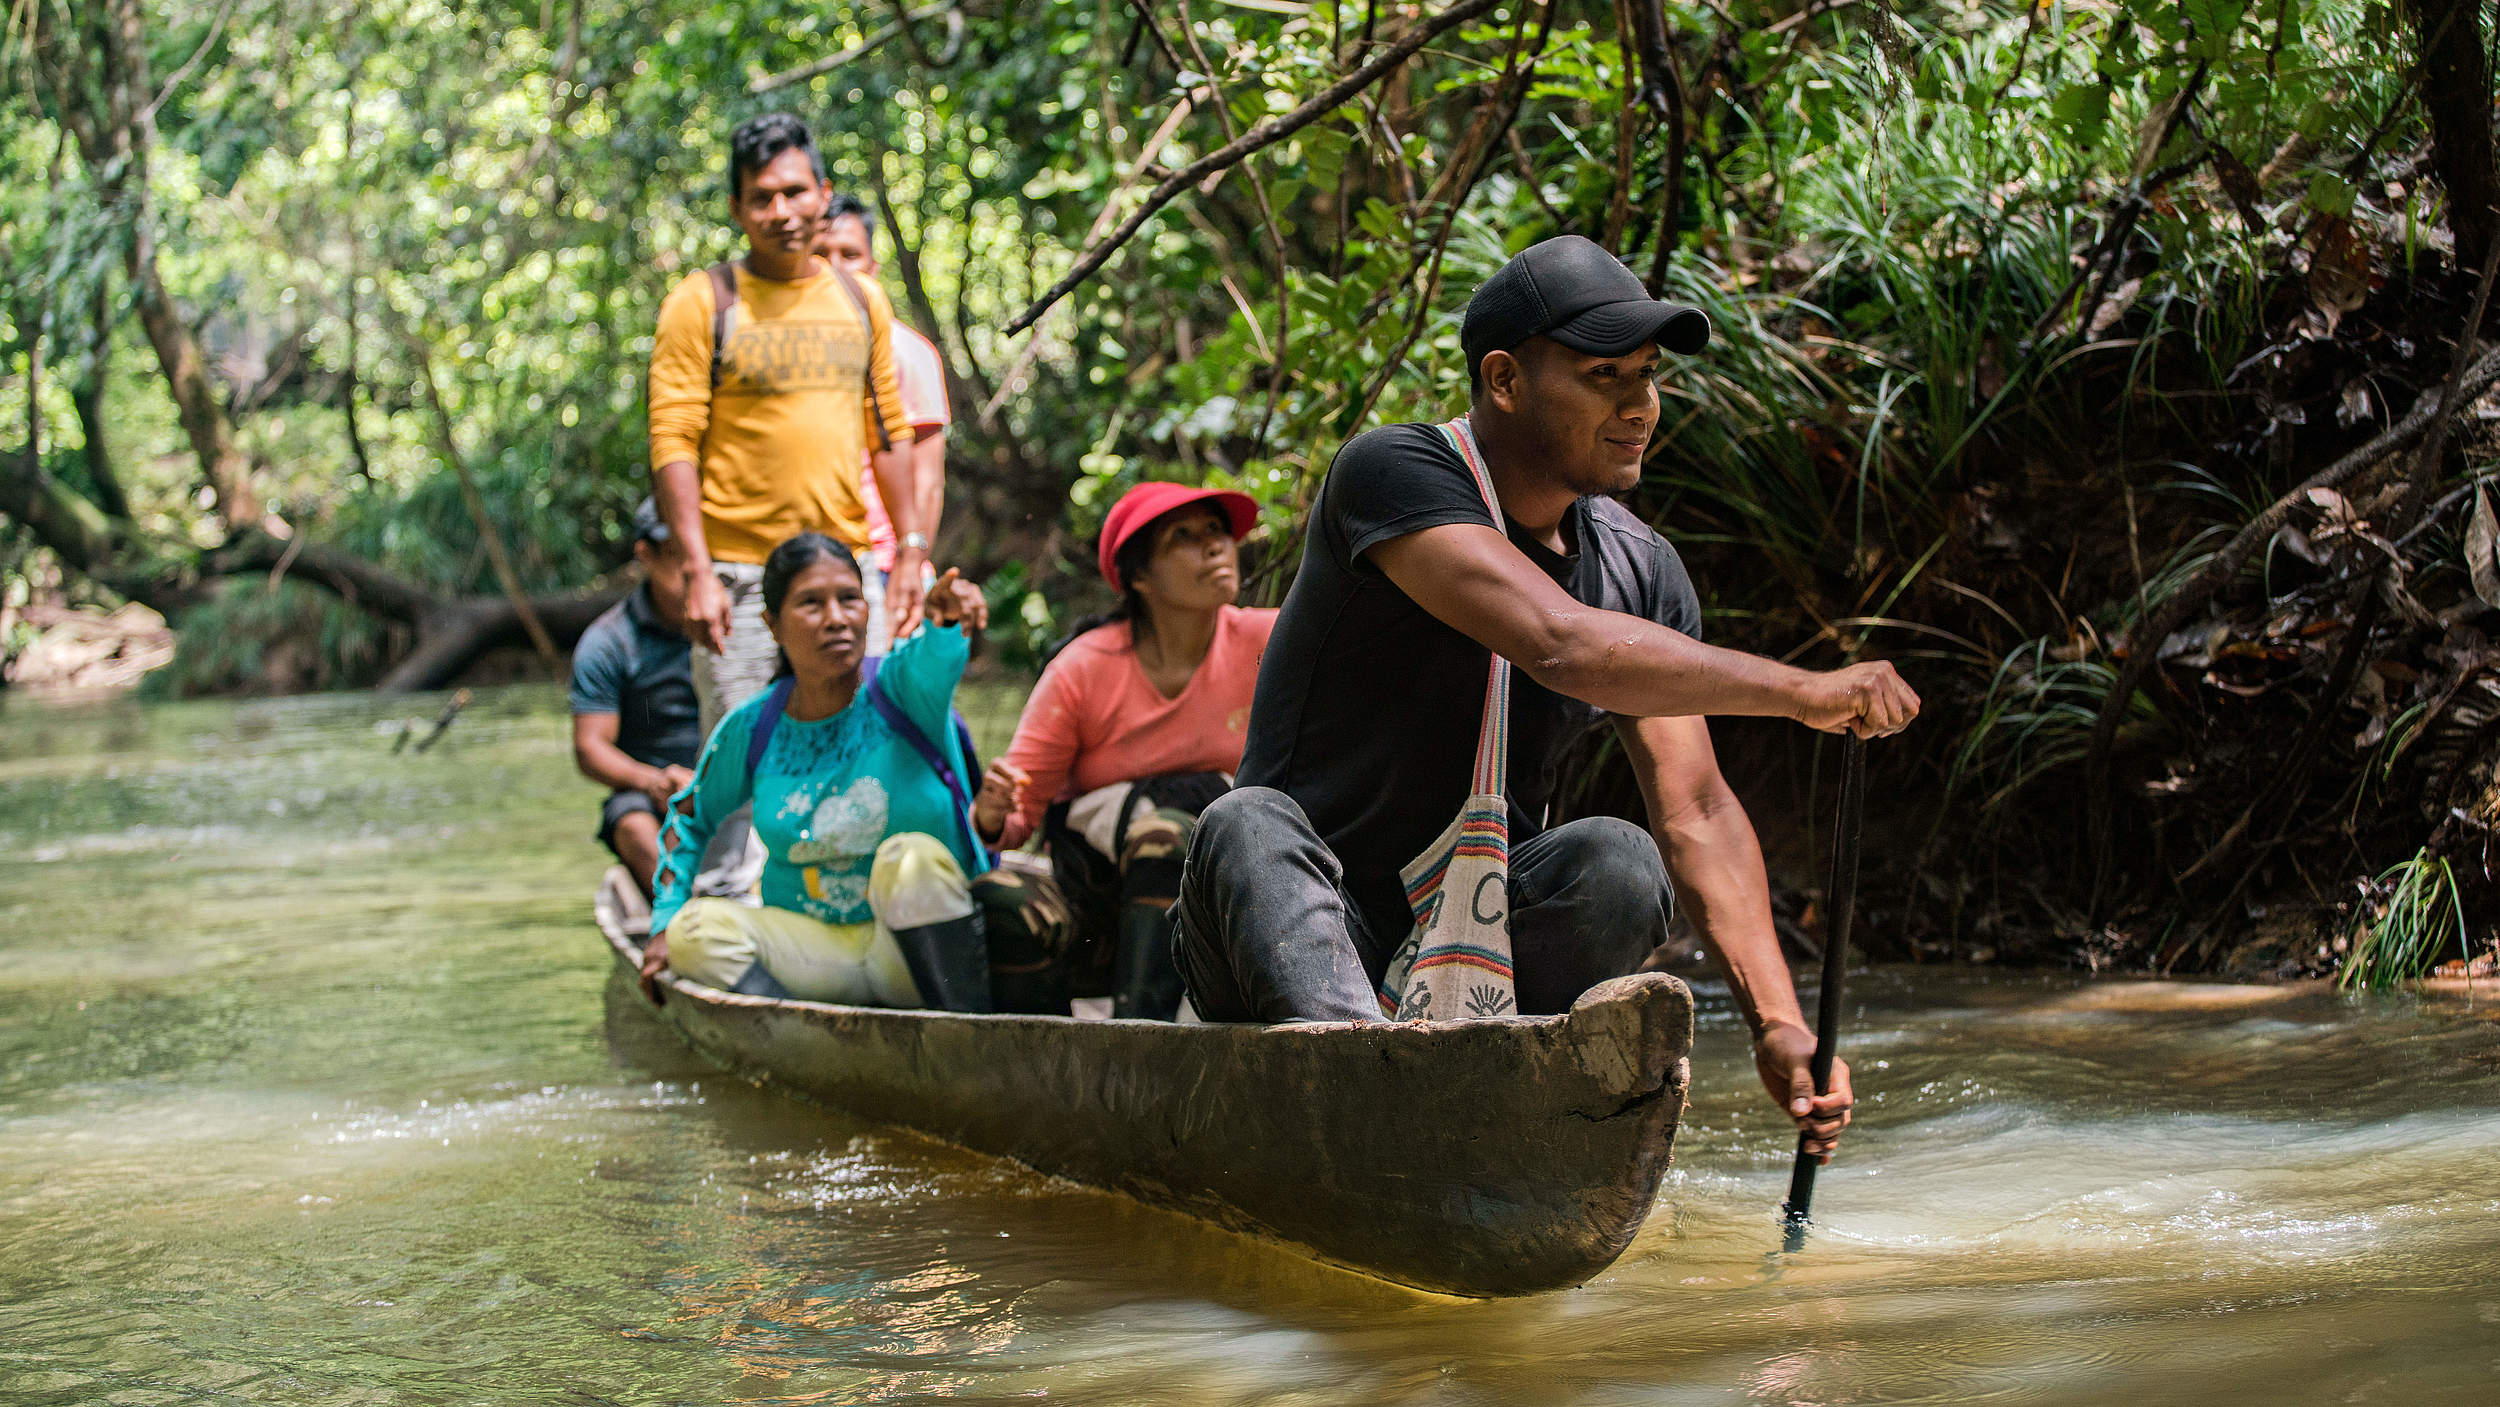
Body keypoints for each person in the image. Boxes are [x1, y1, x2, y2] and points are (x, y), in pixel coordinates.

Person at [1171, 235, 1921, 1165]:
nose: (1640, 406)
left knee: (1619, 861)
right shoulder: (1394, 472)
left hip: (1473, 933)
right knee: (1244, 821)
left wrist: (1778, 1021)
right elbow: (1557, 642)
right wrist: (1806, 690)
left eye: (1649, 377)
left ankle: (1450, 1106)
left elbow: (1695, 806)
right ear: (1504, 380)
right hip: (1290, 921)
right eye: (1604, 375)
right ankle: (1371, 1110)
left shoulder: (1640, 567)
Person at [648, 112, 925, 732]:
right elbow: (674, 439)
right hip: (738, 579)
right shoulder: (701, 302)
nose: (781, 211)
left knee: (865, 754)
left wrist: (908, 552)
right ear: (737, 209)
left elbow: (887, 432)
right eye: (761, 198)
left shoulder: (861, 299)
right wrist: (696, 569)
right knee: (740, 765)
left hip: (844, 574)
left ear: (824, 196)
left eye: (795, 192)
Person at [640, 533, 997, 1011]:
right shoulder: (754, 726)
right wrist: (664, 921)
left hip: (914, 958)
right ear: (773, 625)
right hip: (815, 958)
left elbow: (942, 647)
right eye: (811, 603)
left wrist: (950, 615)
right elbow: (690, 817)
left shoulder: (905, 686)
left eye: (849, 599)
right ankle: (807, 1040)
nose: (836, 619)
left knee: (909, 859)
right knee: (693, 933)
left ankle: (964, 1033)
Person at [968, 483, 1276, 1019]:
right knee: (999, 898)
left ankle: (1140, 1047)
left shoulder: (1268, 639)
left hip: (1221, 906)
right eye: (1183, 536)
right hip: (1097, 899)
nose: (1214, 547)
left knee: (1165, 836)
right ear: (1139, 577)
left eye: (1217, 531)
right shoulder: (1083, 667)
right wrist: (992, 812)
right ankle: (1045, 1069)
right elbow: (1016, 815)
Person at [818, 193, 950, 657]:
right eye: (821, 255)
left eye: (849, 255)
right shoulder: (795, 350)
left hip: (884, 564)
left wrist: (910, 566)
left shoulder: (908, 352)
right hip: (816, 561)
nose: (836, 267)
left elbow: (928, 481)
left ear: (872, 266)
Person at [569, 499, 701, 896]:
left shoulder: (746, 621)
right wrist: (656, 782)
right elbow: (590, 747)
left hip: (736, 780)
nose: (693, 562)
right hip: (658, 791)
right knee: (631, 823)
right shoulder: (609, 641)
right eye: (677, 550)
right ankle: (678, 911)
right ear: (646, 555)